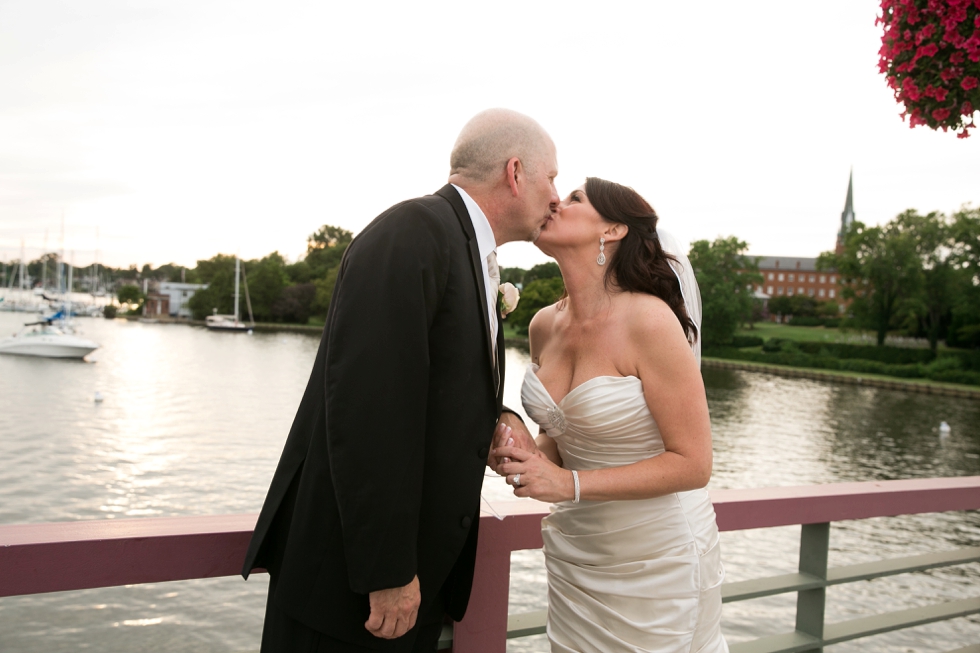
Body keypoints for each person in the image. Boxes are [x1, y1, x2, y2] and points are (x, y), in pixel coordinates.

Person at [241, 108, 558, 652]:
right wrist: (386, 571)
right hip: (352, 595)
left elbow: (427, 382)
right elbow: (369, 409)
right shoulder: (412, 232)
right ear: (515, 173)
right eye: (551, 177)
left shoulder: (462, 249)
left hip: (407, 588)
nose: (556, 196)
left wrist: (497, 417)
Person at [494, 178, 728, 653]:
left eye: (577, 198)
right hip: (577, 556)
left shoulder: (649, 320)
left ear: (614, 229)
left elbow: (693, 463)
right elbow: (558, 439)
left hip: (657, 562)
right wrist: (522, 452)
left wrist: (569, 485)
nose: (558, 201)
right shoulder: (543, 325)